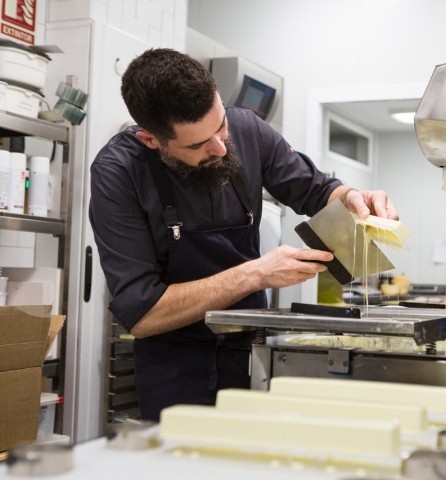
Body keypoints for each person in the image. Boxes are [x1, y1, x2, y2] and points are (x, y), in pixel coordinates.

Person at [89, 48, 398, 421]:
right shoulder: (117, 173)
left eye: (220, 126)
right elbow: (142, 313)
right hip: (174, 367)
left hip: (253, 352)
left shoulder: (247, 130)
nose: (220, 148)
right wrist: (257, 273)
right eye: (197, 145)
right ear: (151, 140)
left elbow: (317, 191)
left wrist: (352, 198)